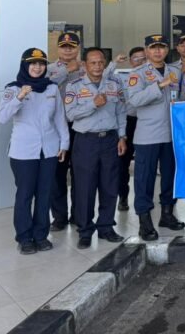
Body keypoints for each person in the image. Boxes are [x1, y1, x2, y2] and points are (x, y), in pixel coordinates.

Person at [0, 48, 69, 255]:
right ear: (25, 65)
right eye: (33, 63)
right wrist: (20, 97)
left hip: (49, 150)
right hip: (23, 152)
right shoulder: (13, 88)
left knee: (44, 194)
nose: (37, 67)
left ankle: (40, 235)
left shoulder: (51, 88)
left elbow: (59, 118)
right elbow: (2, 117)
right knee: (25, 195)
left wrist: (64, 144)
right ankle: (24, 237)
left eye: (41, 63)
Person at [64, 48, 127, 248]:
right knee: (85, 187)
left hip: (110, 139)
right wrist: (93, 104)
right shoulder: (74, 85)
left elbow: (121, 111)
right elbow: (70, 114)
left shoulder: (114, 84)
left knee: (109, 185)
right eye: (93, 62)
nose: (97, 66)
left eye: (101, 62)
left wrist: (122, 136)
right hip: (86, 141)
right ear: (84, 65)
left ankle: (106, 227)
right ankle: (85, 231)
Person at [126, 34, 185, 241]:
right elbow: (134, 100)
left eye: (161, 47)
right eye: (153, 47)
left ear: (167, 50)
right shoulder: (137, 74)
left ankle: (167, 214)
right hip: (148, 135)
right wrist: (159, 85)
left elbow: (179, 98)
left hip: (171, 133)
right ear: (146, 50)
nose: (158, 51)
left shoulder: (175, 71)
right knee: (145, 179)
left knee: (169, 176)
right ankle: (144, 220)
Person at [47, 32, 82, 231]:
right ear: (58, 48)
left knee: (81, 173)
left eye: (72, 46)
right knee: (56, 174)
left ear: (78, 48)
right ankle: (59, 217)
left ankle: (78, 214)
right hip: (57, 128)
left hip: (80, 126)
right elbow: (44, 88)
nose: (68, 49)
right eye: (64, 46)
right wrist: (67, 70)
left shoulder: (87, 68)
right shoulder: (48, 69)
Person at [117, 47, 145, 211]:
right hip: (128, 122)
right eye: (136, 58)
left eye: (143, 58)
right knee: (123, 163)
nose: (140, 61)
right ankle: (123, 197)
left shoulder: (152, 76)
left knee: (144, 163)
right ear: (130, 60)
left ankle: (145, 199)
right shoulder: (121, 78)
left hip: (147, 122)